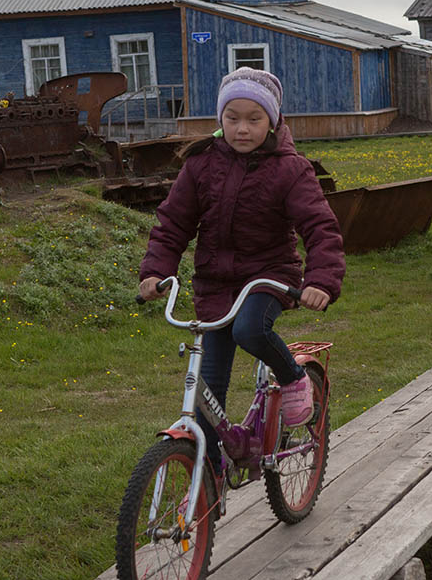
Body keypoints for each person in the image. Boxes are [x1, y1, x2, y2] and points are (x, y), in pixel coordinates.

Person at [138, 67, 345, 473]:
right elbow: (173, 223)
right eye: (232, 119)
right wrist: (155, 271)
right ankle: (209, 480)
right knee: (207, 391)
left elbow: (320, 228)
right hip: (216, 284)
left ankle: (292, 378)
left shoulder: (291, 169)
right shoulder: (200, 165)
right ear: (220, 119)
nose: (242, 129)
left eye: (254, 119)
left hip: (269, 278)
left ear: (272, 121)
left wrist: (320, 279)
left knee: (249, 329)